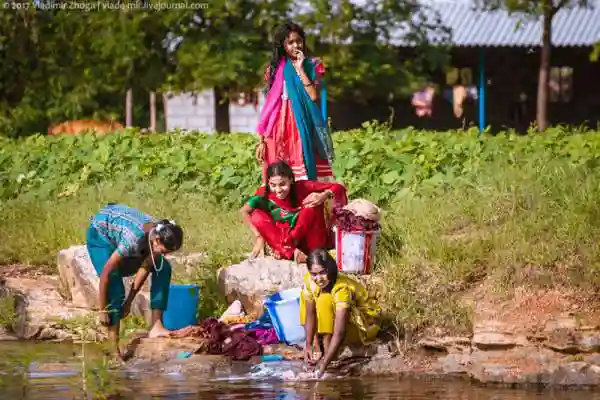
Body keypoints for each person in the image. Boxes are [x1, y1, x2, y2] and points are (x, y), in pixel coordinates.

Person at [86, 203, 184, 359]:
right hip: (101, 237)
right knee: (115, 285)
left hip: (124, 242)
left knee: (163, 268)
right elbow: (106, 272)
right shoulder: (133, 239)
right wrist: (103, 309)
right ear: (157, 240)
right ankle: (113, 350)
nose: (165, 255)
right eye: (164, 251)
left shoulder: (157, 234)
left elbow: (145, 266)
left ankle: (156, 326)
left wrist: (129, 302)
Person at [255, 21, 335, 183]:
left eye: (299, 40)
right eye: (290, 42)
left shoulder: (313, 65)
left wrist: (300, 69)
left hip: (302, 123)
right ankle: (280, 203)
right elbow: (269, 106)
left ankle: (307, 201)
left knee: (303, 163)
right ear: (282, 45)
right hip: (277, 125)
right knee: (278, 167)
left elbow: (313, 96)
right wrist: (261, 140)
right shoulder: (274, 70)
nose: (296, 45)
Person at [240, 161, 347, 263]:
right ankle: (291, 253)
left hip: (308, 240)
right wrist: (259, 237)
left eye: (282, 184)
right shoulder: (263, 194)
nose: (278, 190)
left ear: (291, 179)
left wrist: (323, 195)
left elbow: (338, 187)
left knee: (312, 206)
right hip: (284, 241)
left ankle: (293, 252)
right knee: (256, 216)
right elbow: (243, 212)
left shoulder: (302, 187)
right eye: (273, 185)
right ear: (268, 183)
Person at [300, 249, 382, 378]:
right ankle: (318, 346)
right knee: (306, 296)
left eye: (323, 272)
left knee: (324, 300)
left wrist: (323, 366)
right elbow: (310, 313)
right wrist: (308, 344)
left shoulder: (341, 288)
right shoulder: (310, 280)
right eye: (314, 274)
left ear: (330, 270)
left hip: (365, 324)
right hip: (339, 320)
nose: (319, 278)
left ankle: (330, 353)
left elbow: (340, 332)